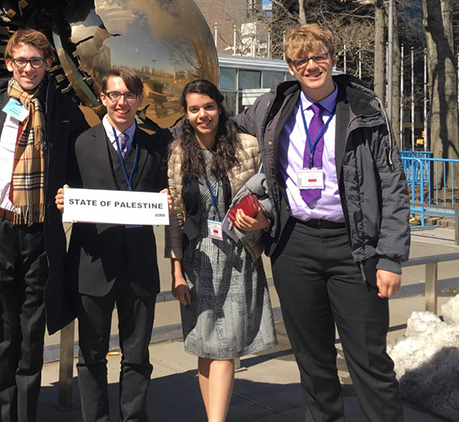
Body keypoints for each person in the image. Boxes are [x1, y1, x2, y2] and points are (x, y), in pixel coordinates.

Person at [233, 24, 409, 422]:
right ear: (290, 66)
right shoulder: (272, 107)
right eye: (301, 60)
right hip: (294, 245)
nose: (311, 65)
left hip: (355, 247)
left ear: (332, 57)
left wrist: (391, 257)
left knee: (369, 359)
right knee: (312, 361)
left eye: (319, 56)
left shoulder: (365, 109)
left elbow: (393, 184)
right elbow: (220, 130)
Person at [0, 28, 88, 422]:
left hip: (41, 230)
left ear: (49, 65)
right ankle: (2, 410)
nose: (28, 68)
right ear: (9, 63)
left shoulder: (64, 109)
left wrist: (70, 191)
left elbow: (80, 163)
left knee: (32, 330)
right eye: (21, 60)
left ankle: (25, 413)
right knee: (3, 328)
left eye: (36, 61)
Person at [55, 67, 169, 422]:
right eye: (114, 95)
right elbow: (64, 190)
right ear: (102, 99)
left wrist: (167, 196)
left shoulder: (156, 144)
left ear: (140, 100)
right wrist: (63, 198)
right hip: (93, 266)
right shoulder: (79, 144)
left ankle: (133, 418)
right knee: (91, 355)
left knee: (137, 354)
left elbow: (166, 191)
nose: (122, 102)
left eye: (129, 95)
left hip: (139, 266)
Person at [164, 80, 277, 422]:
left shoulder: (248, 146)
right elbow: (175, 215)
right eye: (194, 109)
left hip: (238, 254)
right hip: (198, 256)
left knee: (225, 347)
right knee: (205, 344)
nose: (203, 115)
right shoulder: (179, 152)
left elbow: (273, 196)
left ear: (220, 105)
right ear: (186, 114)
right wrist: (177, 271)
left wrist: (263, 220)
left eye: (209, 106)